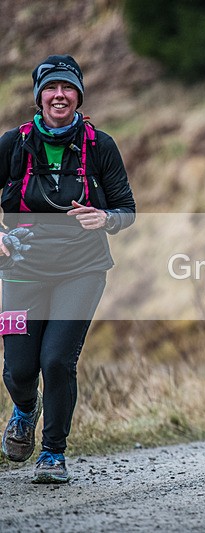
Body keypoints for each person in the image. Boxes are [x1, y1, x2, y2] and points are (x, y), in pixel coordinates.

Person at [0, 54, 135, 483]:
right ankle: (24, 408)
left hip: (82, 270)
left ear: (78, 95)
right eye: (51, 88)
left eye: (68, 88)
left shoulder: (101, 145)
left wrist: (106, 218)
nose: (60, 96)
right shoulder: (12, 144)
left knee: (57, 360)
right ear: (39, 96)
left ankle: (53, 455)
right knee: (19, 369)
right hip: (20, 270)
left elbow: (126, 209)